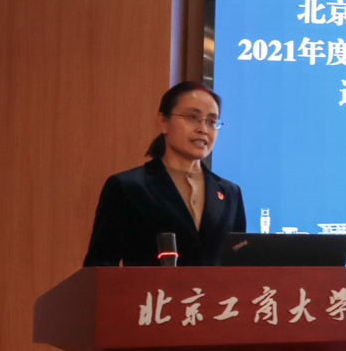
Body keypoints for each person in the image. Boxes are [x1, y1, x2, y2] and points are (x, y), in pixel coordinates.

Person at [83, 81, 247, 266]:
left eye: (211, 121)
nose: (203, 129)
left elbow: (239, 265)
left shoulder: (230, 192)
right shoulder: (127, 186)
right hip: (150, 287)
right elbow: (99, 265)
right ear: (163, 122)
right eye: (192, 117)